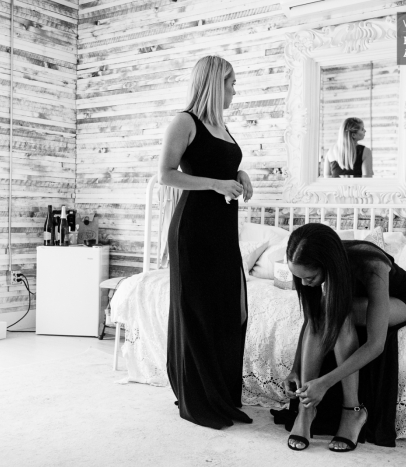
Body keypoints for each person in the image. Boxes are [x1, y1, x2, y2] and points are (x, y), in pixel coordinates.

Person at [159, 55, 254, 429]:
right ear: (215, 84)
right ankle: (200, 400)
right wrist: (216, 184)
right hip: (194, 230)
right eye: (231, 83)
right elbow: (166, 174)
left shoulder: (222, 126)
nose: (235, 89)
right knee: (198, 312)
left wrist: (239, 173)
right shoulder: (185, 121)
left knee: (229, 311)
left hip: (222, 231)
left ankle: (223, 396)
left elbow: (218, 165)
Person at [283, 223, 406, 452]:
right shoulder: (322, 267)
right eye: (298, 277)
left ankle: (353, 413)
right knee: (327, 311)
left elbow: (375, 345)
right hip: (357, 301)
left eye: (309, 277)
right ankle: (306, 408)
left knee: (340, 313)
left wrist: (325, 382)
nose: (303, 283)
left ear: (327, 265)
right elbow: (312, 318)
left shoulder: (372, 265)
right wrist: (295, 369)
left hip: (402, 299)